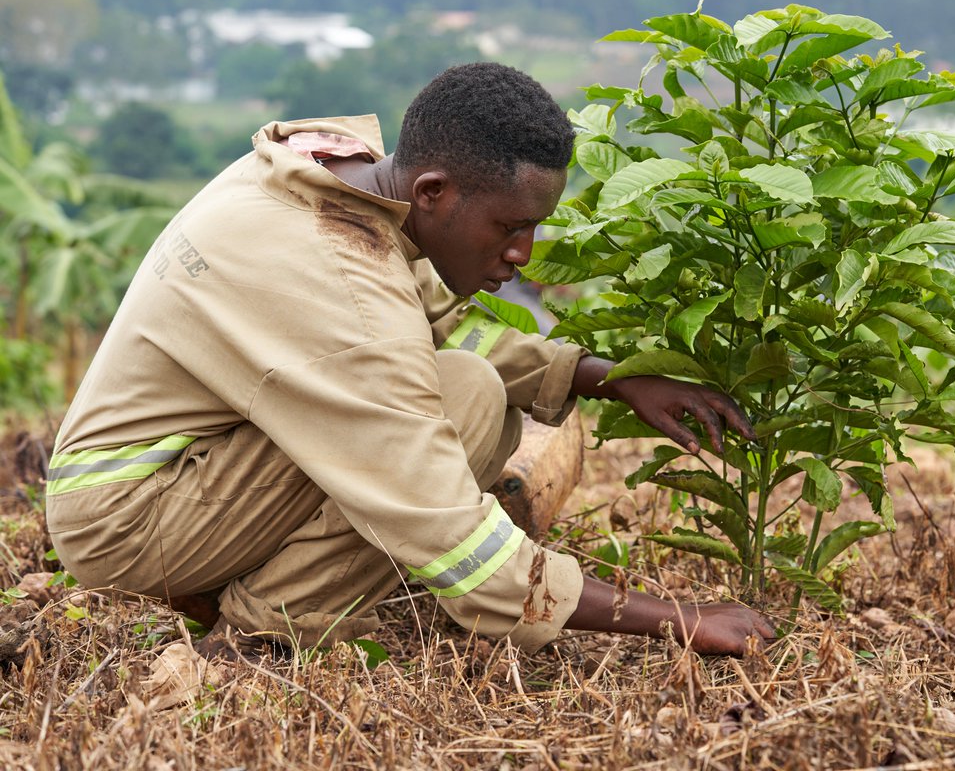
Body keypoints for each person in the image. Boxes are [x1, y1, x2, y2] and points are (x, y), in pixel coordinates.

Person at [45, 63, 773, 661]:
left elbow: (439, 331)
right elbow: (445, 530)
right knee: (460, 405)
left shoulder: (339, 181)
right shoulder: (340, 282)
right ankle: (267, 636)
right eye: (511, 227)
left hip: (182, 468)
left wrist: (611, 377)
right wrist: (676, 617)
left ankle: (258, 584)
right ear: (432, 193)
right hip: (128, 513)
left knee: (470, 389)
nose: (523, 256)